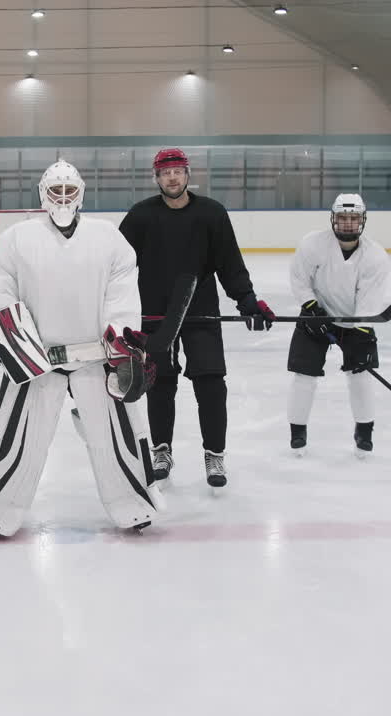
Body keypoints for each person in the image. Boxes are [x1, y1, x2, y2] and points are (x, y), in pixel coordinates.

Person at [0, 160, 161, 538]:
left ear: (81, 194)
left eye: (68, 191)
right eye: (55, 191)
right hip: (38, 360)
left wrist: (121, 340)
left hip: (96, 358)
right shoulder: (16, 238)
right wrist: (19, 343)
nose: (61, 198)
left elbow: (122, 291)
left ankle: (134, 504)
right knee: (20, 436)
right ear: (42, 194)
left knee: (117, 434)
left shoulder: (107, 238)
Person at [118, 148, 276, 491]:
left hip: (200, 313)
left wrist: (247, 300)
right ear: (156, 178)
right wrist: (113, 308)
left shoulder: (212, 214)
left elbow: (230, 265)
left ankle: (214, 453)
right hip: (156, 317)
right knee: (160, 385)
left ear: (188, 174)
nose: (172, 178)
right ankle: (162, 450)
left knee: (211, 384)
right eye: (165, 173)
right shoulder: (141, 216)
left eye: (178, 171)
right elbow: (117, 265)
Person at [286, 193, 389, 457]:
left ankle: (364, 433)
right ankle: (298, 432)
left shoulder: (375, 256)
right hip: (315, 317)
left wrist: (361, 331)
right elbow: (299, 279)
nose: (347, 223)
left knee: (361, 376)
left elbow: (370, 298)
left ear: (362, 221)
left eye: (352, 218)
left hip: (356, 322)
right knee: (304, 375)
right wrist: (311, 307)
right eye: (342, 217)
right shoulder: (312, 244)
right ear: (333, 219)